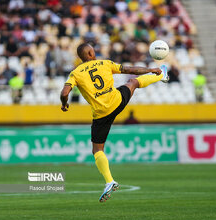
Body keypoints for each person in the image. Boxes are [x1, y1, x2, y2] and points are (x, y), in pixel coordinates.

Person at [60, 42, 168, 202]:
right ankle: (161, 75)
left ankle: (109, 181)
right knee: (133, 83)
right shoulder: (104, 63)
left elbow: (64, 92)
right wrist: (150, 70)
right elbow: (130, 70)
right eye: (92, 51)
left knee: (97, 150)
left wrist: (64, 103)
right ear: (90, 54)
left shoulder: (75, 74)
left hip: (100, 113)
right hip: (116, 101)